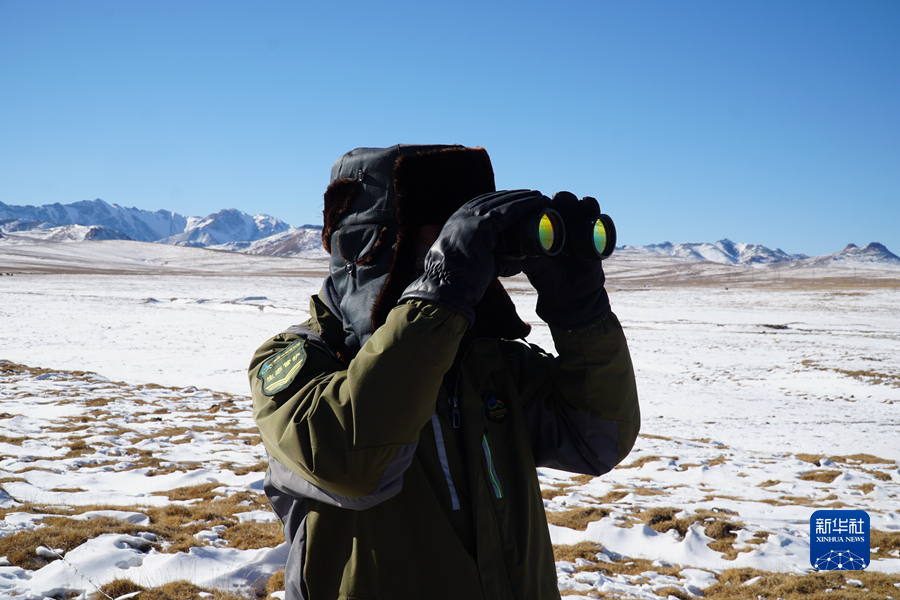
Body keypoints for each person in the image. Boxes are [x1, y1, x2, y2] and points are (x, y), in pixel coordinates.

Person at [249, 144, 640, 600]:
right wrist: (441, 292)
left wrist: (580, 311)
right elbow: (354, 465)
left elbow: (597, 439)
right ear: (371, 245)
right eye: (446, 237)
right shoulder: (302, 360)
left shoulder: (488, 363)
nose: (473, 257)